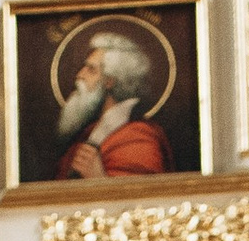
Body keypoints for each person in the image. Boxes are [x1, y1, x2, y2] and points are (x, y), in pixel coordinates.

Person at [52, 27, 169, 179]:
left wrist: (98, 177)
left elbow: (144, 198)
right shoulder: (90, 132)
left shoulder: (141, 139)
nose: (80, 75)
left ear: (109, 81)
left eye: (91, 70)